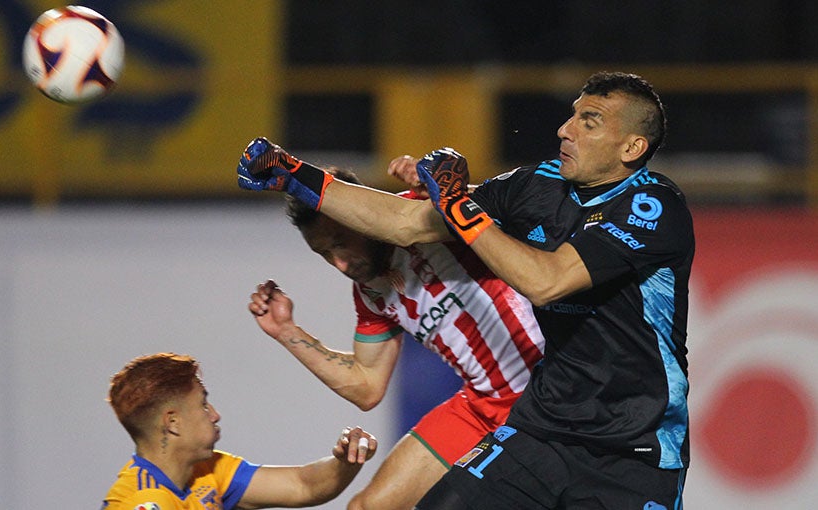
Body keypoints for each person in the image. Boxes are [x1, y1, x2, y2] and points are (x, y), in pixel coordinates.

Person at [237, 71, 693, 509]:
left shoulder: (652, 207)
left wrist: (456, 205)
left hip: (634, 441)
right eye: (571, 115)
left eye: (587, 121)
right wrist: (293, 174)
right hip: (542, 422)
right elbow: (402, 220)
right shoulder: (536, 184)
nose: (564, 129)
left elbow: (546, 282)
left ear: (632, 146)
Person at [247, 166, 545, 510]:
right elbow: (366, 385)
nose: (341, 264)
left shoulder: (421, 214)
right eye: (325, 254)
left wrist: (443, 192)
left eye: (341, 244)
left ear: (360, 215)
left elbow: (514, 206)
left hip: (553, 394)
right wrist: (287, 332)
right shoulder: (371, 292)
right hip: (483, 406)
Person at [101, 352, 378, 509]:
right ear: (172, 422)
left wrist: (347, 459)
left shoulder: (206, 471)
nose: (215, 414)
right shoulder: (146, 500)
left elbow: (303, 485)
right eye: (203, 404)